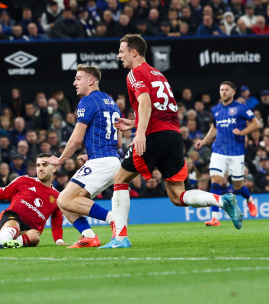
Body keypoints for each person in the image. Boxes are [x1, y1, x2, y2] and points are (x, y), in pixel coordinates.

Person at [108, 35, 242, 249]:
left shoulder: (135, 73)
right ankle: (220, 200)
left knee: (120, 179)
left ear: (134, 52)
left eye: (122, 50)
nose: (119, 55)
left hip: (153, 136)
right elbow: (162, 110)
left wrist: (140, 133)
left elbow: (145, 102)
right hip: (173, 137)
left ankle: (121, 238)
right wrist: (135, 123)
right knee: (177, 196)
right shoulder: (158, 74)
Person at [47, 65, 121, 248]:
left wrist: (60, 159)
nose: (74, 83)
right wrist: (92, 154)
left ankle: (114, 219)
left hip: (102, 161)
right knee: (66, 202)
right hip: (110, 160)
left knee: (63, 200)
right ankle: (89, 236)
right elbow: (117, 142)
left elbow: (76, 138)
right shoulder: (112, 102)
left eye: (78, 78)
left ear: (90, 81)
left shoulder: (87, 101)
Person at [194, 81, 260, 226]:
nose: (223, 92)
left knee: (238, 187)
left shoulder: (241, 108)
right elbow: (214, 128)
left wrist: (243, 132)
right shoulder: (216, 109)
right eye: (221, 89)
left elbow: (256, 124)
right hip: (218, 151)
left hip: (236, 152)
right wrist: (204, 141)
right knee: (215, 182)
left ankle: (249, 200)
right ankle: (215, 218)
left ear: (233, 92)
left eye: (226, 90)